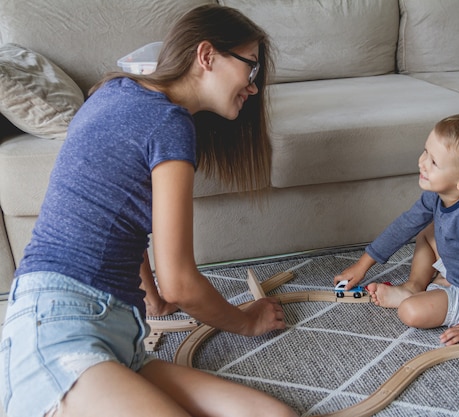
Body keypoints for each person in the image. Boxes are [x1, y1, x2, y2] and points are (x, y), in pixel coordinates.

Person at [0, 5, 298, 417]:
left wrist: (152, 300)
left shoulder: (115, 89)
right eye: (251, 70)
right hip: (57, 329)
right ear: (207, 56)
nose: (253, 87)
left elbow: (120, 213)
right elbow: (181, 284)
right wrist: (245, 322)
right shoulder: (169, 125)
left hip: (118, 336)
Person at [334, 112, 459, 346]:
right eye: (425, 151)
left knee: (410, 312)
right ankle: (414, 286)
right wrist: (362, 265)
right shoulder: (438, 194)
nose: (421, 162)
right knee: (427, 229)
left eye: (434, 162)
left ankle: (427, 293)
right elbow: (405, 225)